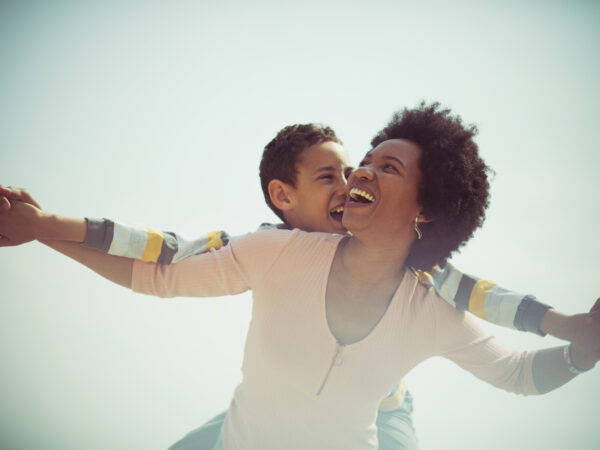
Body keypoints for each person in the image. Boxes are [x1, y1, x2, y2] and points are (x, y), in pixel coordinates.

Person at [0, 103, 598, 450]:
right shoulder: (276, 250)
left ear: (428, 207)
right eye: (363, 160)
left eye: (383, 166)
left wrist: (581, 350)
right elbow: (160, 269)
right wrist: (42, 229)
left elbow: (519, 374)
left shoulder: (436, 301)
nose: (357, 174)